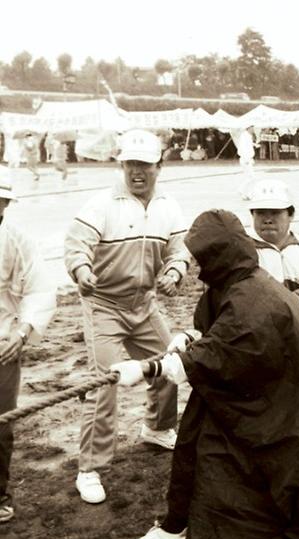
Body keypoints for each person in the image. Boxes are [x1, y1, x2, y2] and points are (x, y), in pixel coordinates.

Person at [120, 209, 299, 539]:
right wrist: (190, 336)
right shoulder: (243, 283)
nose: (196, 266)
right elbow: (221, 337)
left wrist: (146, 369)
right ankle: (176, 524)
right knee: (201, 421)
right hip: (286, 394)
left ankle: (184, 527)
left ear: (219, 254)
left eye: (202, 256)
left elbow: (221, 350)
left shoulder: (251, 300)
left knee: (213, 445)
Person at [64, 129, 189, 504]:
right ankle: (90, 468)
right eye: (130, 164)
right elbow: (75, 245)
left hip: (145, 305)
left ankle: (157, 427)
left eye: (145, 165)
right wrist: (82, 270)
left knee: (169, 363)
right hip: (104, 305)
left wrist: (174, 272)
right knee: (106, 383)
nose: (137, 172)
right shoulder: (101, 204)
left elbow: (179, 250)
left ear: (159, 167)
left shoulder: (168, 206)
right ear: (121, 165)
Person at [0, 168, 56, 523]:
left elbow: (40, 288)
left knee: (1, 424)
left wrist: (22, 331)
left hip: (2, 343)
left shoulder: (17, 240)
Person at [246, 179, 299, 294]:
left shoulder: (298, 242)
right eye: (260, 213)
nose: (268, 220)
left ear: (291, 215)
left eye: (275, 212)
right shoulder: (246, 248)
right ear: (252, 215)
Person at [237, 127, 257, 199]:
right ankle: (242, 190)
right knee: (251, 177)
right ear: (248, 128)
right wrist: (247, 159)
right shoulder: (244, 136)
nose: (253, 130)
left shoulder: (248, 136)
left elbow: (248, 145)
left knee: (249, 177)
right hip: (246, 159)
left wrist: (254, 145)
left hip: (248, 158)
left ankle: (245, 194)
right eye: (252, 128)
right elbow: (243, 148)